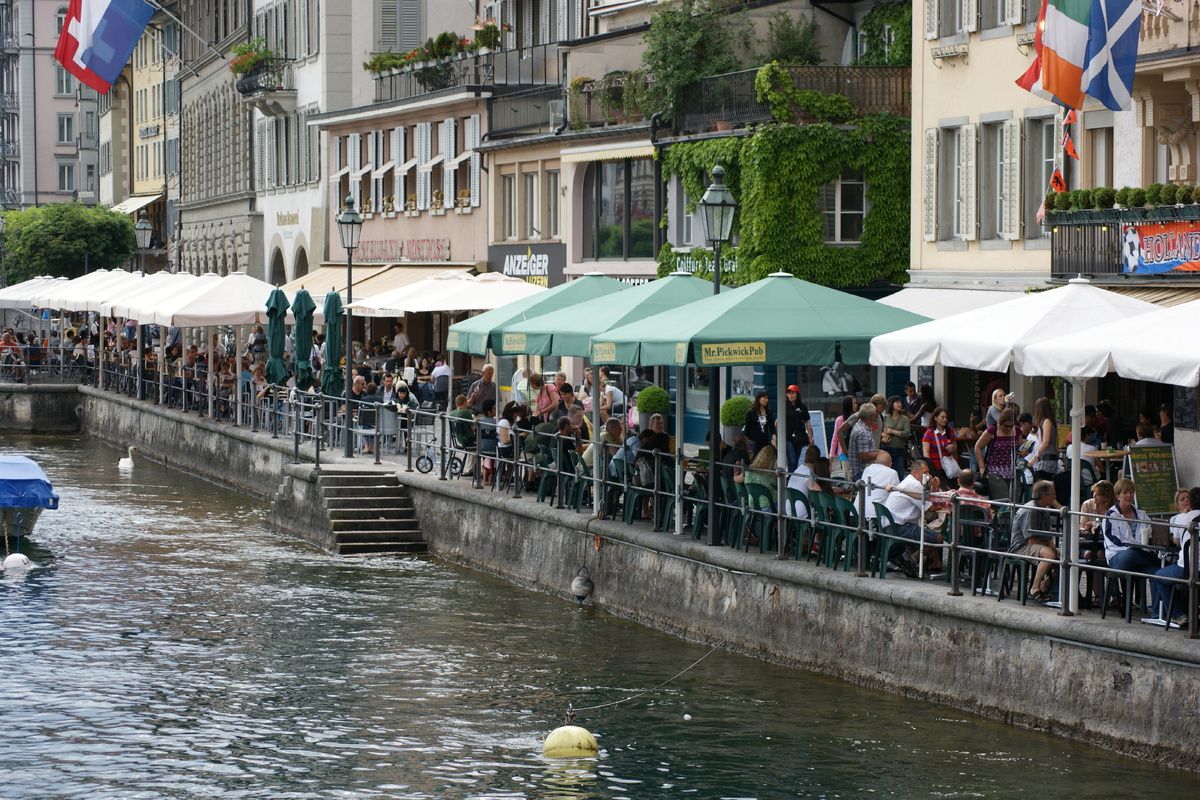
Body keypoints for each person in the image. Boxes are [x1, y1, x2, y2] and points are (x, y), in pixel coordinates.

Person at [881, 458, 944, 574]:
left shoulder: (909, 482)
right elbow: (931, 509)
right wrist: (935, 490)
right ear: (915, 473)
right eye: (925, 473)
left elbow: (927, 502)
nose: (928, 476)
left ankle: (910, 560)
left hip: (894, 524)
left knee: (928, 531)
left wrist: (933, 488)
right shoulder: (913, 484)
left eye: (928, 473)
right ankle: (909, 561)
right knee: (938, 538)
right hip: (900, 526)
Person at [1151, 486, 1200, 622]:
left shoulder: (1182, 518)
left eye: (1186, 499)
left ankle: (1178, 614)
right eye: (1181, 499)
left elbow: (1176, 541)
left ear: (1191, 502)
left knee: (1158, 576)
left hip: (1187, 569)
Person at [1008, 480, 1061, 602]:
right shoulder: (1030, 509)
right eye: (1052, 494)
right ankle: (1034, 588)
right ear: (1044, 496)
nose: (1055, 497)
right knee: (1049, 555)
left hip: (1036, 544)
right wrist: (1051, 549)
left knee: (1063, 556)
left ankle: (1046, 585)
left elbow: (1047, 536)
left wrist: (1053, 547)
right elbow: (1032, 540)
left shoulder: (1045, 509)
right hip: (1021, 546)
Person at [1102, 478, 1157, 586]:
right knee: (1132, 553)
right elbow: (1113, 543)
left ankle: (1155, 604)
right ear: (1118, 496)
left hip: (1140, 558)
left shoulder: (1141, 514)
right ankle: (1161, 562)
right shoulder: (1111, 515)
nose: (1129, 495)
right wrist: (1135, 547)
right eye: (1125, 492)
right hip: (1117, 556)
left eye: (1131, 492)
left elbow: (1150, 532)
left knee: (1159, 574)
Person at [974, 409, 1019, 500]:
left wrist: (1023, 452)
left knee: (1014, 501)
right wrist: (982, 467)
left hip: (1013, 471)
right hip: (995, 472)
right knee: (1002, 501)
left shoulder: (1017, 431)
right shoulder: (992, 430)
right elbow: (977, 447)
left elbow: (1019, 447)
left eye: (1011, 426)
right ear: (1000, 422)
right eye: (1006, 426)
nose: (1009, 428)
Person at [737, 443, 779, 512]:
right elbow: (779, 487)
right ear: (773, 460)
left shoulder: (748, 471)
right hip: (769, 508)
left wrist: (734, 475)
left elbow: (737, 480)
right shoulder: (771, 475)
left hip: (753, 507)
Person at [922, 407, 958, 485]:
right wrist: (930, 469)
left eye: (946, 417)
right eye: (942, 417)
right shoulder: (929, 433)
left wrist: (953, 448)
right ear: (935, 418)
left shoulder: (950, 431)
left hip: (950, 467)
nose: (945, 419)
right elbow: (926, 453)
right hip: (936, 468)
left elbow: (955, 448)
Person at [846, 403, 881, 482]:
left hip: (862, 472)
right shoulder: (862, 432)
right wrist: (881, 453)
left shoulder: (860, 425)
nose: (877, 416)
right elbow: (864, 455)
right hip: (861, 474)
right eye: (875, 415)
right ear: (871, 417)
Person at [782, 384, 813, 472]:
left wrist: (810, 437)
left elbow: (807, 422)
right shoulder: (784, 406)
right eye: (788, 393)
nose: (790, 395)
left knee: (796, 459)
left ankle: (792, 478)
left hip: (800, 436)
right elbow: (778, 421)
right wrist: (776, 435)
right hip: (787, 436)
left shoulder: (802, 406)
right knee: (791, 459)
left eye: (792, 393)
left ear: (797, 394)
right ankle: (791, 477)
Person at [862, 451, 899, 521]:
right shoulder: (892, 473)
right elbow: (897, 494)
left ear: (875, 461)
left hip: (859, 511)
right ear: (891, 464)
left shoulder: (867, 469)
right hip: (876, 515)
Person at [881, 395, 911, 472]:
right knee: (885, 472)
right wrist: (882, 437)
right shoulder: (885, 418)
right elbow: (880, 432)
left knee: (898, 473)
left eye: (900, 402)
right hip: (885, 449)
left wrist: (892, 431)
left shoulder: (905, 419)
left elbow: (906, 434)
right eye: (897, 402)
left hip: (899, 450)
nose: (900, 404)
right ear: (891, 404)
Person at [743, 390, 774, 456]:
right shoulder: (751, 412)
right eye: (764, 398)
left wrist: (774, 437)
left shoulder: (768, 412)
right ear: (759, 398)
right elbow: (747, 429)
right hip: (753, 442)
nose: (767, 400)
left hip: (765, 442)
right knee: (754, 462)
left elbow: (772, 426)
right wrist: (748, 442)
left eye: (767, 398)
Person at [829, 395, 857, 467]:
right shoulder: (840, 420)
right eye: (854, 403)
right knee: (847, 475)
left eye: (856, 403)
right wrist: (832, 454)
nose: (856, 405)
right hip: (844, 453)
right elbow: (835, 437)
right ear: (848, 405)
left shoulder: (858, 418)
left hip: (856, 452)